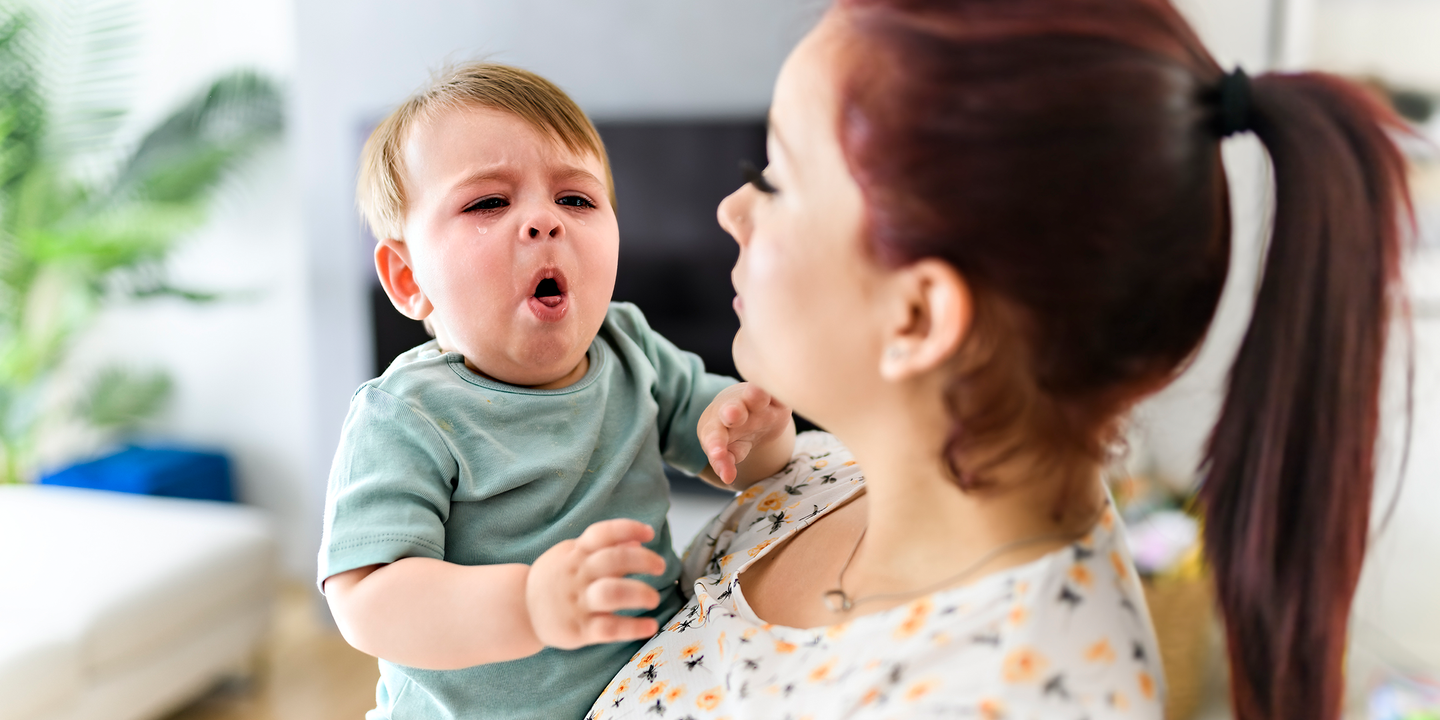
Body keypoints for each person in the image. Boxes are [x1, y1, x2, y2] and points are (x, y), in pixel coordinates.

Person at [593, 1, 1413, 718]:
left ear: (918, 316)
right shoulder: (834, 472)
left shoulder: (1000, 695)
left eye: (773, 179)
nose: (732, 208)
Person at [317, 63, 797, 720]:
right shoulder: (407, 415)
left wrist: (758, 432)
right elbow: (366, 601)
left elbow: (735, 458)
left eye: (576, 199)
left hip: (645, 691)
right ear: (406, 277)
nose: (544, 221)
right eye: (489, 202)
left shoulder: (629, 346)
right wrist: (527, 605)